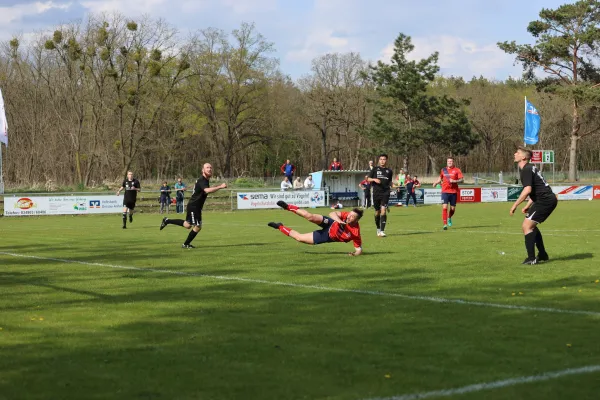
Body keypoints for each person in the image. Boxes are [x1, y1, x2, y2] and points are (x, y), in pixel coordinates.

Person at [159, 163, 227, 248]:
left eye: (210, 168)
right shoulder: (202, 180)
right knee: (198, 226)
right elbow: (207, 190)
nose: (209, 169)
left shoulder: (205, 180)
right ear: (203, 170)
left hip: (195, 206)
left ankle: (167, 220)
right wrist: (220, 186)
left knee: (187, 225)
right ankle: (186, 244)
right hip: (194, 206)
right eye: (207, 168)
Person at [510, 147, 557, 265]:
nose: (515, 154)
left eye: (518, 153)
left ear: (523, 157)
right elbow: (536, 189)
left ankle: (531, 258)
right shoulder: (529, 168)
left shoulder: (526, 169)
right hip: (544, 199)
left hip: (545, 200)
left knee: (526, 226)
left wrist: (515, 205)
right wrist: (528, 205)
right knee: (532, 226)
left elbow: (527, 190)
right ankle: (542, 254)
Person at [268, 200, 363, 256]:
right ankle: (288, 207)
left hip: (327, 236)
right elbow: (332, 213)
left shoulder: (355, 232)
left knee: (299, 238)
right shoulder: (345, 216)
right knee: (310, 216)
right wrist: (340, 221)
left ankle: (279, 226)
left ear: (356, 220)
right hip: (330, 223)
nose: (348, 217)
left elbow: (359, 249)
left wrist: (354, 254)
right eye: (349, 215)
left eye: (352, 217)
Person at [432, 157, 464, 230]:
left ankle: (449, 217)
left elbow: (462, 179)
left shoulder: (457, 170)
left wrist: (454, 181)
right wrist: (436, 182)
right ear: (447, 162)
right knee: (445, 207)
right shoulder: (443, 170)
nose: (449, 162)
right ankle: (445, 224)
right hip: (445, 191)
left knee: (452, 209)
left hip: (453, 192)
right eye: (448, 161)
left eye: (451, 161)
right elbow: (440, 178)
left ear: (453, 162)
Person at [368, 154, 394, 237]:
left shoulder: (389, 171)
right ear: (379, 160)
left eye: (384, 159)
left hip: (386, 192)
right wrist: (374, 179)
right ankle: (378, 229)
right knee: (377, 212)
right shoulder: (375, 169)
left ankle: (382, 231)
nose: (382, 161)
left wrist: (394, 186)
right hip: (376, 193)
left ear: (386, 160)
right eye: (381, 159)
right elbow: (367, 178)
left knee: (383, 210)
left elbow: (390, 182)